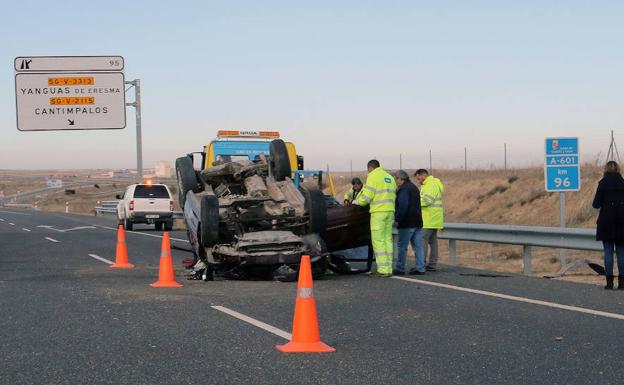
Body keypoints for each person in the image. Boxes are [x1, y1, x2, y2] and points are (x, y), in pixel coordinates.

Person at [353, 160, 397, 277]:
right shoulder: (389, 177)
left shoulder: (373, 177)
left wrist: (357, 202)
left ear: (370, 168)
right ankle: (388, 268)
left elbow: (367, 197)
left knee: (378, 240)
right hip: (390, 211)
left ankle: (382, 270)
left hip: (378, 212)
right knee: (387, 239)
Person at [592, 161, 624, 290]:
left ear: (606, 169)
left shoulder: (603, 183)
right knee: (622, 253)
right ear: (618, 169)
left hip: (606, 222)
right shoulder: (623, 183)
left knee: (608, 252)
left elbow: (596, 204)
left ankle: (609, 283)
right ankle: (622, 284)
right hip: (622, 222)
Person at [393, 170, 425, 275]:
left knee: (402, 247)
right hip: (418, 222)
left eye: (396, 180)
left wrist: (397, 219)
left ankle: (400, 268)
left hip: (407, 223)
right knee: (418, 247)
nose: (395, 182)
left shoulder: (403, 190)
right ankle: (421, 268)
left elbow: (403, 205)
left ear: (400, 179)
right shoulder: (414, 187)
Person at [414, 169, 444, 271]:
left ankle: (421, 264)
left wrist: (414, 202)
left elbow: (427, 201)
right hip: (434, 218)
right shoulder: (432, 183)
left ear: (423, 175)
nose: (418, 181)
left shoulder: (430, 184)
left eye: (418, 178)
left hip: (429, 218)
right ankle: (432, 264)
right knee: (433, 242)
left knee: (423, 241)